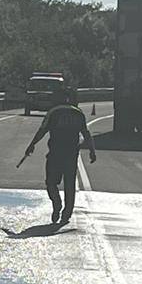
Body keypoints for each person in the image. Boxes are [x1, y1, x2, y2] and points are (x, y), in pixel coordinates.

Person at [22, 87, 96, 224]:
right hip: (71, 154)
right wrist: (92, 150)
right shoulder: (78, 113)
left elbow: (42, 130)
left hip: (55, 153)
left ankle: (57, 203)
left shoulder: (54, 112)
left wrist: (32, 144)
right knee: (69, 184)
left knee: (51, 182)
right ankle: (66, 213)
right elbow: (85, 133)